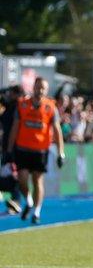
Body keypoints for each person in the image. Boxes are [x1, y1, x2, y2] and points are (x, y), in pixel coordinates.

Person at [6, 77, 65, 224]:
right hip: (23, 148)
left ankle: (37, 212)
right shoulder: (23, 105)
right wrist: (9, 148)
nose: (40, 91)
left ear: (46, 90)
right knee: (22, 180)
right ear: (34, 88)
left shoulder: (51, 107)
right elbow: (15, 127)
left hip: (40, 150)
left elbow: (57, 130)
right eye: (38, 87)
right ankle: (29, 201)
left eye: (43, 88)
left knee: (37, 181)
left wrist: (61, 152)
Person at [0, 85, 24, 214]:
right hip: (7, 148)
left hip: (16, 148)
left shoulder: (19, 108)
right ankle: (15, 202)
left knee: (13, 177)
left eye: (11, 93)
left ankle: (16, 202)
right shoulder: (10, 108)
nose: (8, 96)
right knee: (7, 175)